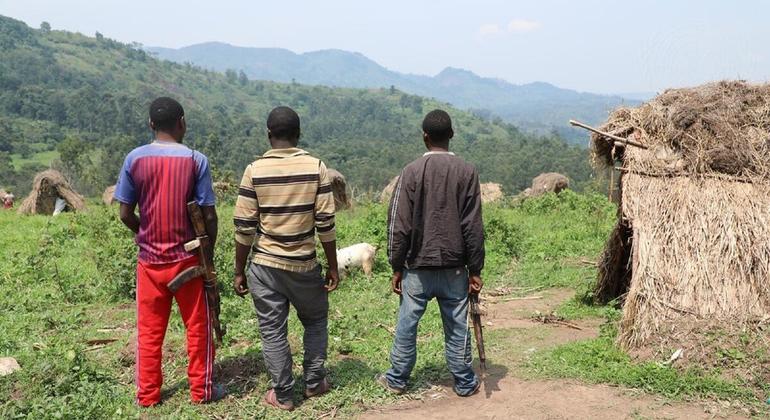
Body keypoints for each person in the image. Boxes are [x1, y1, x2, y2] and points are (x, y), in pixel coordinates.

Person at [114, 97, 221, 407]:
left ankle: (148, 396)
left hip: (149, 262)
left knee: (149, 332)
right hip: (188, 260)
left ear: (151, 125)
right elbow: (209, 215)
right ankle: (201, 391)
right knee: (197, 328)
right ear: (182, 123)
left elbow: (124, 214)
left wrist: (145, 234)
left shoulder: (134, 159)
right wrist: (208, 253)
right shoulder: (195, 160)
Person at [233, 106, 339, 411]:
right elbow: (326, 224)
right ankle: (314, 382)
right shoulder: (316, 167)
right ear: (298, 134)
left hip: (265, 267)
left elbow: (244, 228)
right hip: (305, 265)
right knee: (316, 321)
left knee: (272, 330)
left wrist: (239, 270)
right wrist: (332, 266)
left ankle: (282, 395)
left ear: (269, 134)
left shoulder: (254, 170)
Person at [378, 109, 485, 397]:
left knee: (407, 324)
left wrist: (396, 266)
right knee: (457, 326)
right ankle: (464, 381)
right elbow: (473, 226)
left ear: (424, 137)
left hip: (417, 270)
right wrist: (475, 269)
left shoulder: (411, 172)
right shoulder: (467, 171)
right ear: (451, 135)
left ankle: (397, 379)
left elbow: (398, 226)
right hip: (455, 268)